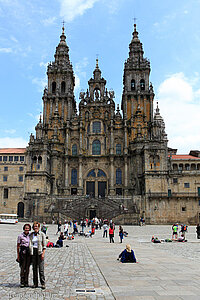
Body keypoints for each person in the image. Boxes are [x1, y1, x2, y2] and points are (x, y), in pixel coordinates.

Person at [29, 221, 46, 289]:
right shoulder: (31, 235)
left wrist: (43, 254)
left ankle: (43, 283)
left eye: (37, 226)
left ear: (39, 227)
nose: (35, 228)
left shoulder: (42, 234)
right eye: (34, 226)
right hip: (33, 252)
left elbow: (44, 245)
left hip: (40, 252)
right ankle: (35, 283)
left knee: (41, 269)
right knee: (34, 269)